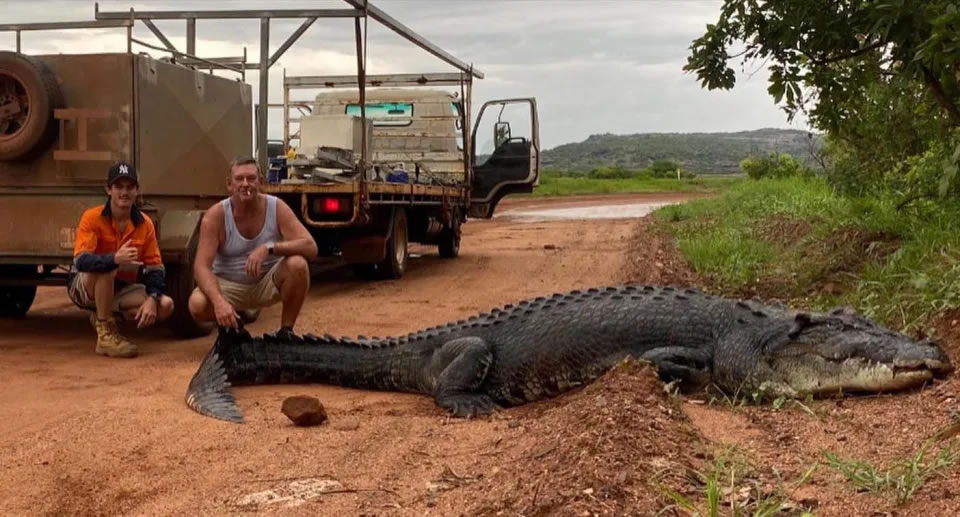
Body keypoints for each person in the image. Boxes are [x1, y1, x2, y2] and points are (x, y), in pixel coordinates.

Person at [189, 157, 318, 333]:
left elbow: (310, 247)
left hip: (266, 282)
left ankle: (286, 333)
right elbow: (201, 267)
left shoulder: (276, 207)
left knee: (298, 265)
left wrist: (269, 248)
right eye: (239, 179)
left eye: (251, 178)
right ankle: (232, 330)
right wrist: (218, 301)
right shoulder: (215, 216)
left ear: (261, 182)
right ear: (229, 185)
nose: (245, 184)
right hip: (229, 286)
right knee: (197, 304)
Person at [68, 162, 175, 358]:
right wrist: (115, 258)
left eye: (129, 187)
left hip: (121, 288)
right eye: (118, 187)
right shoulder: (92, 217)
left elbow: (156, 268)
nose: (124, 192)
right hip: (85, 287)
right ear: (108, 189)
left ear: (137, 191)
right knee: (107, 268)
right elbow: (81, 261)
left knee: (166, 305)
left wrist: (152, 299)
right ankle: (105, 336)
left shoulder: (145, 224)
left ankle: (107, 315)